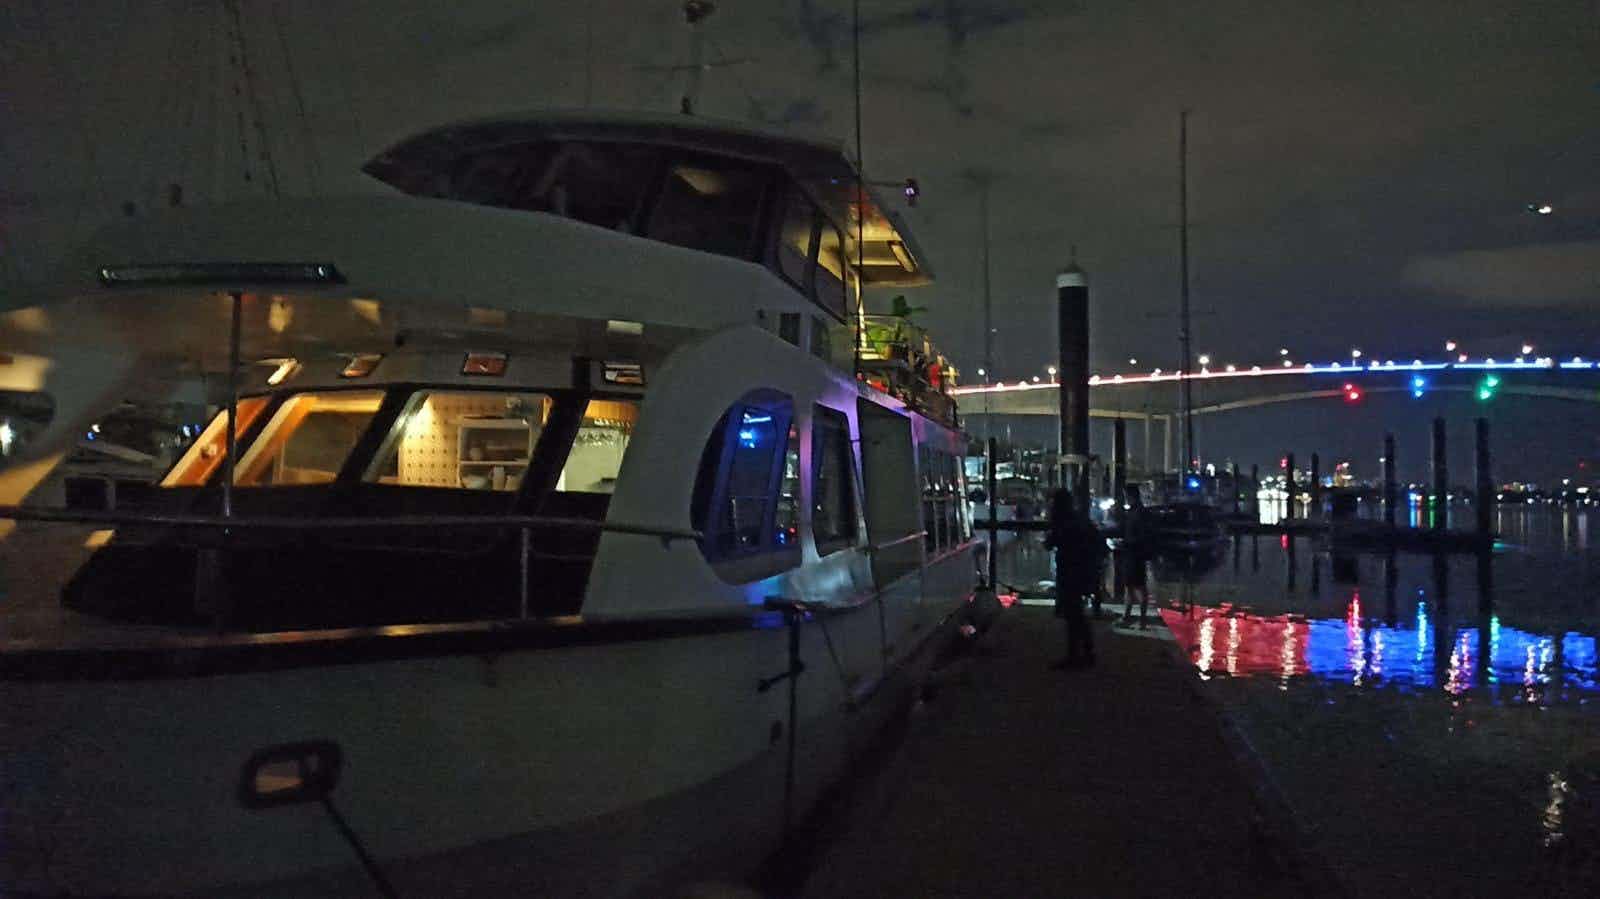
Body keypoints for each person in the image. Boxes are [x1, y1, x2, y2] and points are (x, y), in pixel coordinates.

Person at [1046, 488, 1104, 668]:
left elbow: (1050, 543)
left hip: (1069, 571)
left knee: (1073, 615)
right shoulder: (1079, 519)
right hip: (1081, 571)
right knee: (1077, 614)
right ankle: (1086, 653)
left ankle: (1076, 656)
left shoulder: (1063, 522)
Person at [1119, 486, 1154, 627]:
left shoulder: (1137, 513)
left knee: (1136, 586)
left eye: (1126, 495)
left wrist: (1126, 542)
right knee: (1133, 586)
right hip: (1135, 553)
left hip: (1134, 554)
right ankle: (1137, 618)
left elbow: (1140, 535)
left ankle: (1137, 618)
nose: (1126, 498)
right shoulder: (1137, 512)